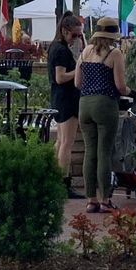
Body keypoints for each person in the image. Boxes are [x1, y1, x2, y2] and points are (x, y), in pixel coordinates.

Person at [73, 16, 130, 215]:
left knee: (90, 152)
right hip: (105, 104)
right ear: (113, 35)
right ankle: (105, 199)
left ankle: (91, 200)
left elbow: (77, 84)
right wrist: (129, 91)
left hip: (84, 105)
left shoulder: (85, 52)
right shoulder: (115, 54)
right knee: (104, 153)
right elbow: (120, 87)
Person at [48, 13, 84, 197]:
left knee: (60, 141)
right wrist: (78, 69)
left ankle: (56, 179)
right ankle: (64, 183)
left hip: (59, 98)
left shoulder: (56, 47)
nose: (76, 39)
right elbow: (60, 77)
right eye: (74, 35)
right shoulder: (61, 50)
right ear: (64, 31)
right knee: (66, 143)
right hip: (67, 99)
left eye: (79, 35)